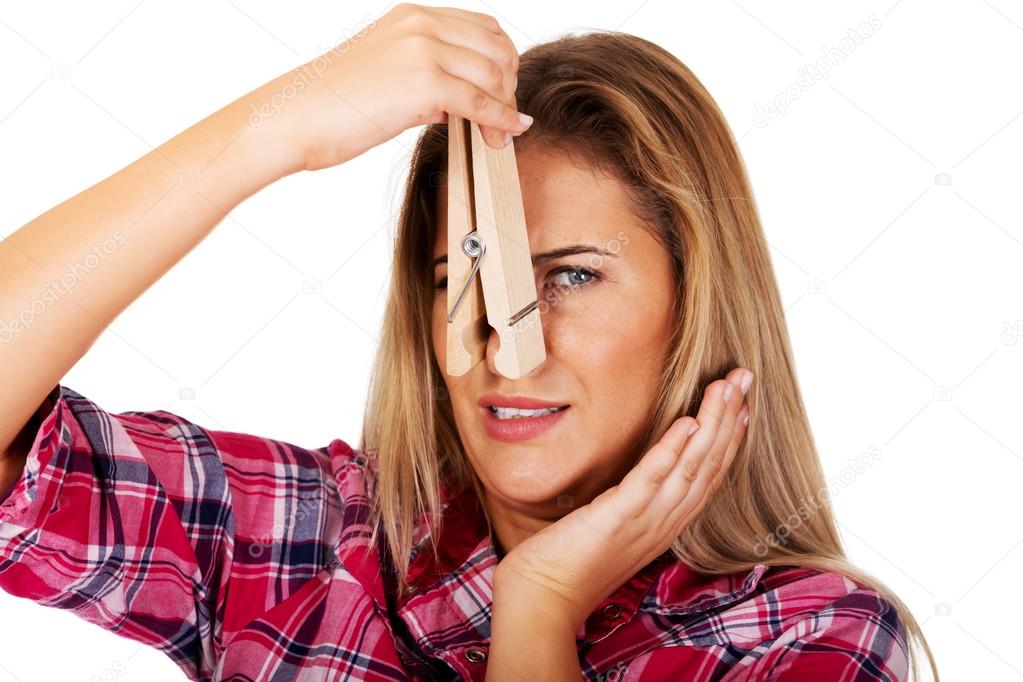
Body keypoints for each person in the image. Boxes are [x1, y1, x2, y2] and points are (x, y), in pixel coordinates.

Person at [0, 3, 938, 680]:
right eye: (461, 281)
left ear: (693, 305)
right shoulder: (313, 542)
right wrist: (273, 130)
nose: (507, 350)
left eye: (570, 276)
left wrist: (540, 606)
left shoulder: (807, 639)